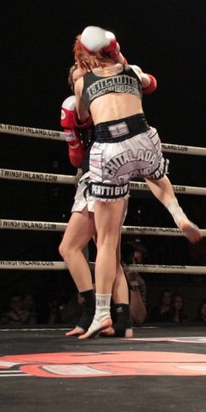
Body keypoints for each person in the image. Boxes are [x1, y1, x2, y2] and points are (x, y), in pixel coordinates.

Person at [72, 25, 201, 338]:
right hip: (142, 136)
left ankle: (102, 313)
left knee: (106, 241)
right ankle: (178, 214)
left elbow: (82, 119)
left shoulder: (81, 81)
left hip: (109, 147)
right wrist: (122, 60)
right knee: (156, 175)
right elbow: (152, 84)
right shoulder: (132, 70)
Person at [59, 63, 140, 338]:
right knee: (108, 253)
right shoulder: (96, 102)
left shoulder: (99, 102)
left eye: (84, 75)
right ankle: (123, 322)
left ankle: (92, 312)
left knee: (71, 247)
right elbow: (75, 155)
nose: (80, 81)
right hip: (112, 173)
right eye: (76, 79)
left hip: (100, 174)